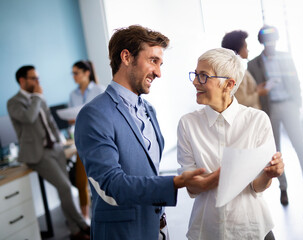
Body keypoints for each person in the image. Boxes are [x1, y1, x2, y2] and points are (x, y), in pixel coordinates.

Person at [74, 25, 220, 240]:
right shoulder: (94, 114)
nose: (159, 73)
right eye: (153, 61)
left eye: (160, 64)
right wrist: (176, 182)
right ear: (126, 57)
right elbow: (112, 184)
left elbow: (147, 172)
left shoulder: (148, 110)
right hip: (122, 233)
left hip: (157, 228)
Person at [177, 48, 284, 240]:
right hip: (208, 231)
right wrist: (228, 173)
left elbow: (257, 187)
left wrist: (269, 175)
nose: (194, 82)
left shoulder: (257, 120)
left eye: (203, 76)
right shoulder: (188, 124)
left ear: (228, 84)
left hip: (252, 229)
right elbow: (191, 188)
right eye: (195, 74)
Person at [7, 65, 90, 240]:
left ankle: (75, 229)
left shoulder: (39, 97)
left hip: (55, 148)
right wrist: (37, 96)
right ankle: (82, 225)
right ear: (22, 81)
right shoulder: (14, 102)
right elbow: (29, 118)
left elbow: (49, 120)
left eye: (38, 78)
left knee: (64, 190)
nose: (38, 82)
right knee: (66, 187)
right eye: (34, 78)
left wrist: (60, 141)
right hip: (38, 154)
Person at [247, 25, 303, 205]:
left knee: (300, 146)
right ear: (262, 42)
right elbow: (253, 89)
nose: (270, 43)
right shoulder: (253, 64)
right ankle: (283, 188)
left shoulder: (286, 57)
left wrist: (297, 103)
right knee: (275, 151)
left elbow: (296, 80)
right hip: (269, 110)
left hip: (289, 105)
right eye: (267, 40)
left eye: (273, 39)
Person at [69, 60, 105, 221]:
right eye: (73, 73)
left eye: (76, 73)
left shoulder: (99, 90)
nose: (74, 76)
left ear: (86, 73)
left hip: (99, 140)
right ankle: (85, 218)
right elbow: (73, 116)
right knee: (80, 180)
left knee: (102, 178)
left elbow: (105, 115)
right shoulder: (73, 95)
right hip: (82, 140)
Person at [221, 30, 266, 109]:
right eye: (245, 47)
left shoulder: (236, 69)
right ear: (238, 49)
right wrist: (258, 93)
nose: (248, 50)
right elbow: (241, 101)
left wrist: (257, 89)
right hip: (248, 116)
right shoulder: (237, 71)